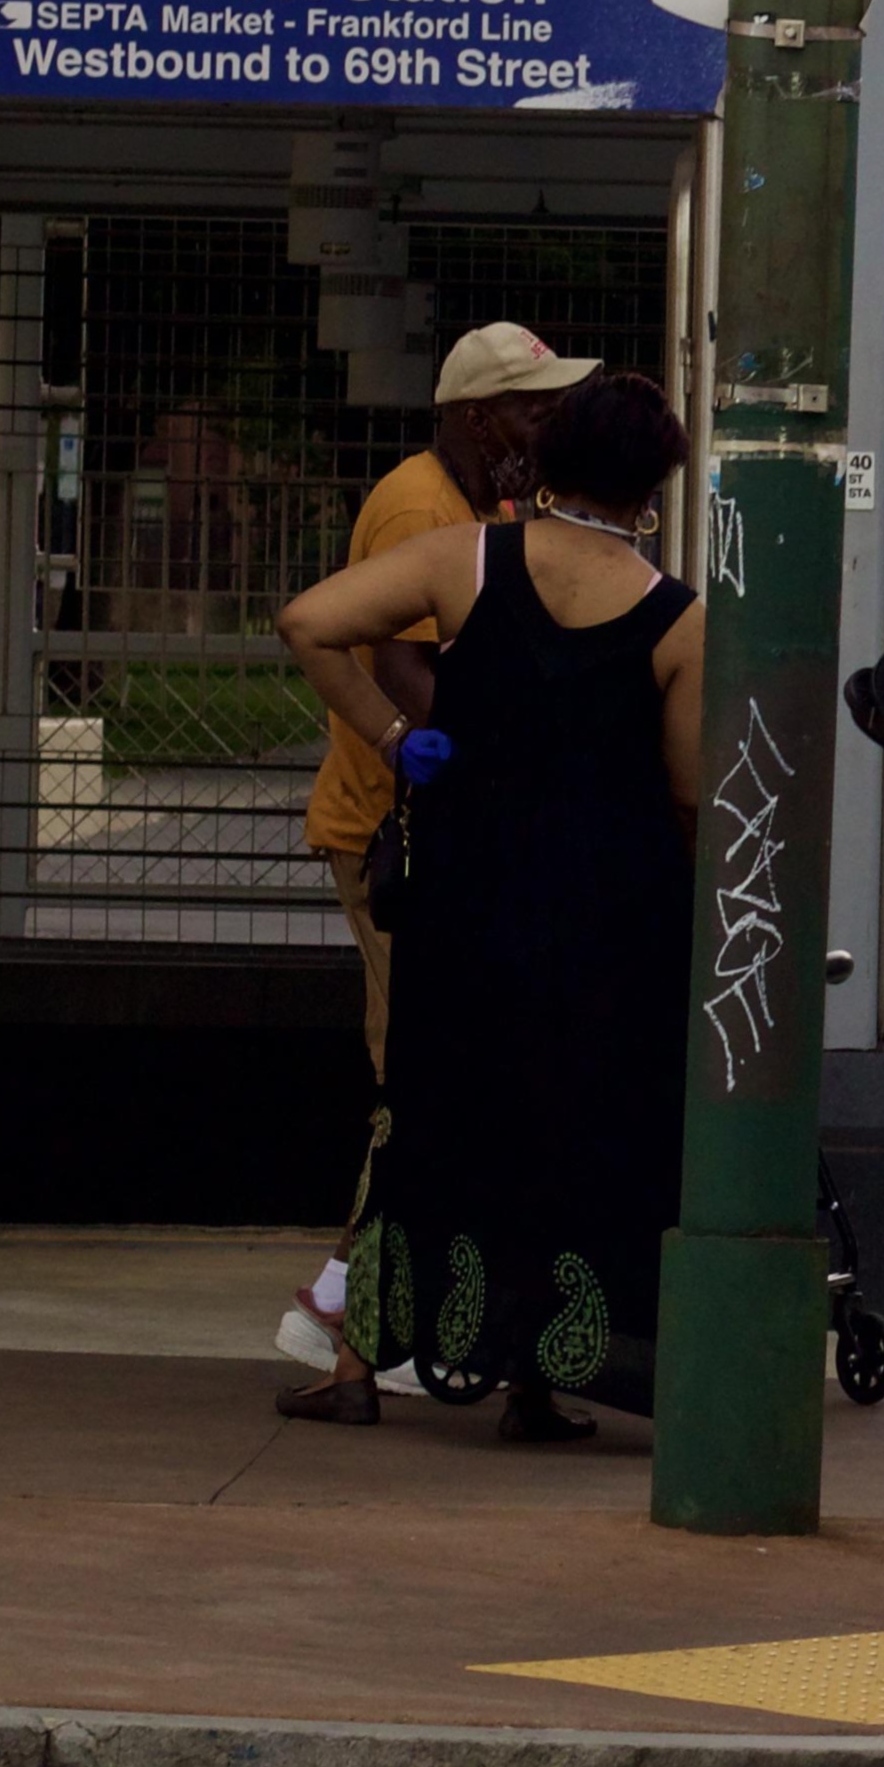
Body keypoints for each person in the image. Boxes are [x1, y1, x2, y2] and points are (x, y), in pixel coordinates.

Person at [275, 369, 705, 1441]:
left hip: (465, 906)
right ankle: (541, 1379)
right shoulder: (679, 620)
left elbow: (310, 620)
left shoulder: (465, 560)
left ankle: (359, 1363)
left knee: (427, 1116)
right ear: (652, 485)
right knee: (574, 1133)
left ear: (549, 460)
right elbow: (691, 790)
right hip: (605, 923)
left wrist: (390, 737)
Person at [273, 321, 591, 1405]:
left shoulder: (478, 504)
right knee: (410, 1079)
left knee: (426, 1076)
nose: (543, 423)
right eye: (528, 405)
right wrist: (475, 758)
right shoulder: (421, 505)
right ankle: (340, 1312)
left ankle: (352, 1308)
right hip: (396, 838)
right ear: (471, 415)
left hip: (428, 833)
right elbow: (400, 658)